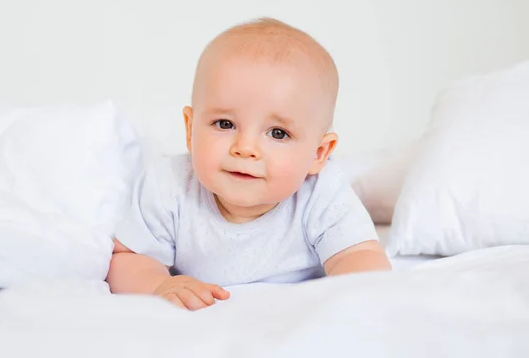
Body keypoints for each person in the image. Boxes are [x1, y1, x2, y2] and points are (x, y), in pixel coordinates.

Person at [106, 18, 391, 310]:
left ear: (318, 153)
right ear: (190, 130)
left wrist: (355, 299)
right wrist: (159, 285)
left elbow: (358, 256)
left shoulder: (322, 192)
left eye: (278, 133)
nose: (245, 148)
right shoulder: (170, 185)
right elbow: (127, 258)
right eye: (225, 123)